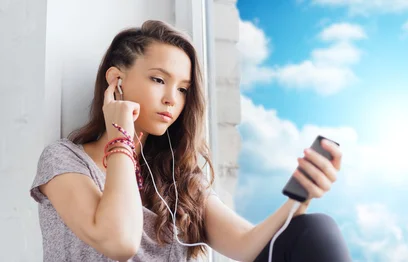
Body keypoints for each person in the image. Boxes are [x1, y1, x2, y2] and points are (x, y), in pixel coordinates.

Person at [29, 20, 352, 262]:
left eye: (183, 89)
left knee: (314, 228)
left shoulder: (178, 176)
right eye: (158, 80)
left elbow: (245, 244)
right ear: (117, 80)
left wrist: (300, 198)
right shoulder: (65, 160)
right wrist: (121, 138)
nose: (172, 99)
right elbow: (119, 242)